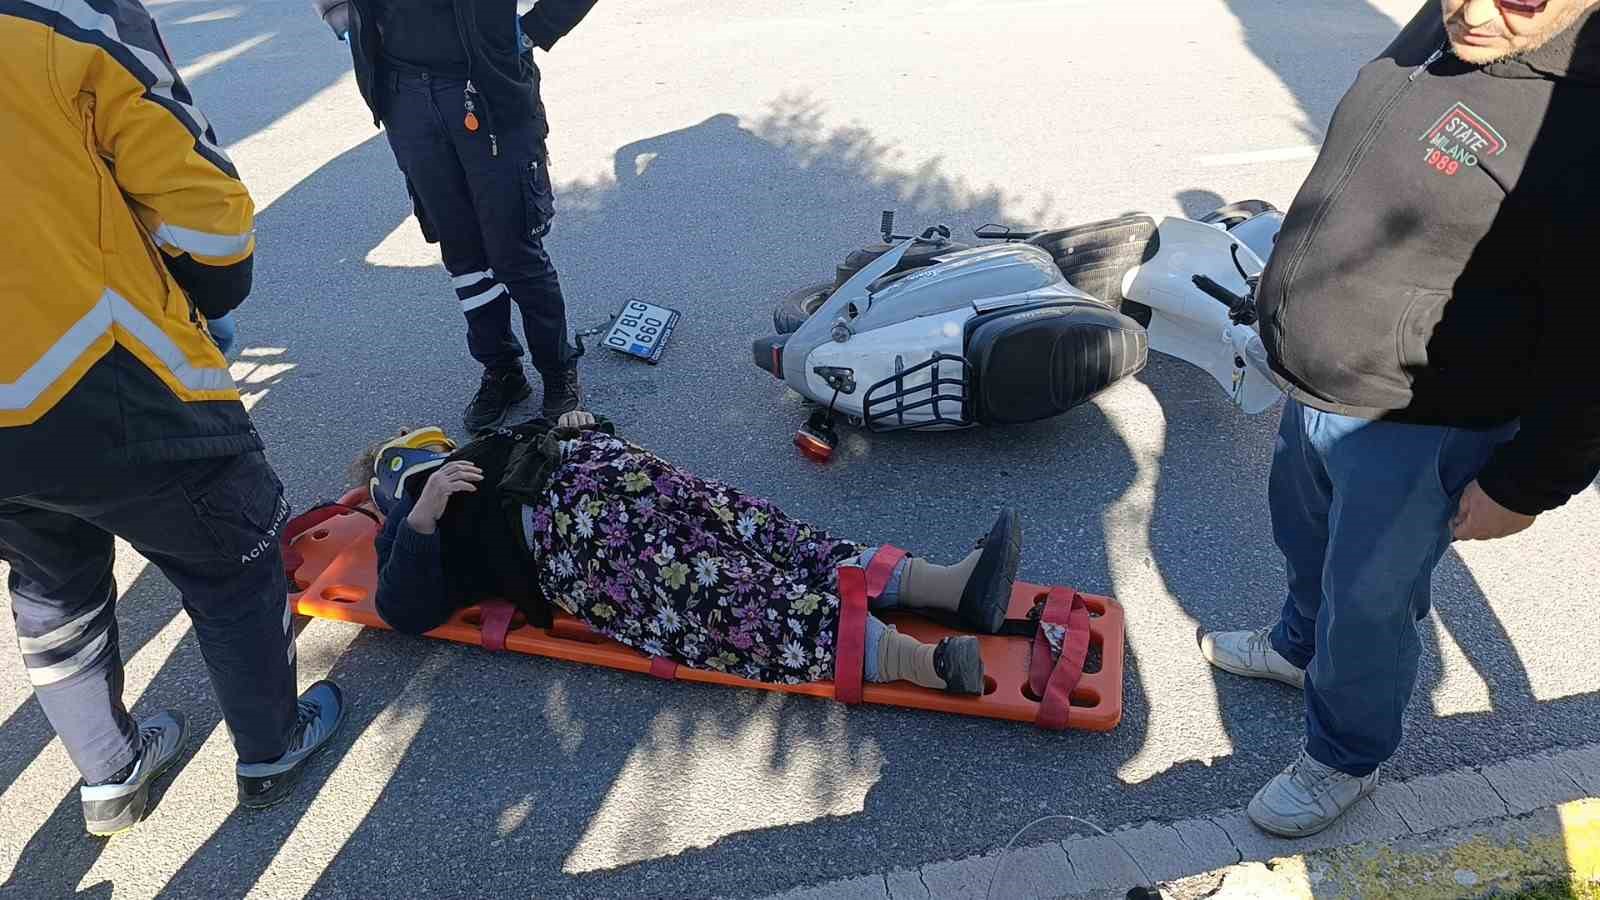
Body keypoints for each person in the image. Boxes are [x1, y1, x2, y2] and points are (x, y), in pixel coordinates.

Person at [1199, 0, 1600, 838]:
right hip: (1320, 379)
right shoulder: (1455, 26)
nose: (1473, 11)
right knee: (1303, 536)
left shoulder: (1578, 116)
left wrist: (1529, 484)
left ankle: (1344, 755)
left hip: (1422, 415)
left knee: (1368, 604)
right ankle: (1298, 647)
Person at [0, 0, 345, 835]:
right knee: (232, 555)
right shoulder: (65, 17)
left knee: (50, 582)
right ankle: (271, 747)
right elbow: (200, 205)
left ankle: (110, 776)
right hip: (101, 367)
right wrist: (210, 294)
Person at [359, 414, 1024, 694]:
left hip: (612, 477)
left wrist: (579, 428)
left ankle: (945, 586)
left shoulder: (479, 448)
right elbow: (404, 610)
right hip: (572, 540)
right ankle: (918, 662)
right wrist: (421, 515)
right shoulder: (409, 524)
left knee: (765, 531)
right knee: (723, 590)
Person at [312, 0, 599, 433]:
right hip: (402, 93)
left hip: (487, 87)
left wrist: (536, 29)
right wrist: (341, 17)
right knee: (462, 251)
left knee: (514, 250)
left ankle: (557, 370)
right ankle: (501, 369)